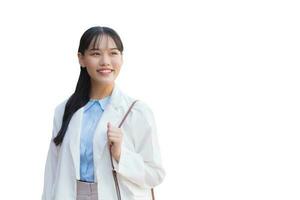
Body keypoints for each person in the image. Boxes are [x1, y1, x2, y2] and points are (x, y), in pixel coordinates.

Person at [41, 26, 166, 200]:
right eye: (95, 53)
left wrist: (121, 155)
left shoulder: (137, 112)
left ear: (122, 58)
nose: (105, 61)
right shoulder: (63, 110)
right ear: (81, 59)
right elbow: (52, 173)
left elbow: (155, 174)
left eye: (113, 53)